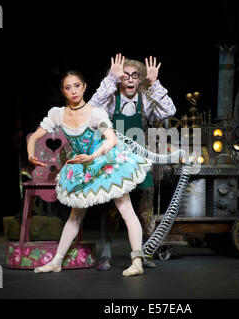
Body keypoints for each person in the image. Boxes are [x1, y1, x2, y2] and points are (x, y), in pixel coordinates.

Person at [27, 70, 152, 276]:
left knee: (125, 209)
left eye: (77, 86)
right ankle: (57, 261)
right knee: (75, 216)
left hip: (104, 159)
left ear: (84, 87)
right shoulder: (57, 114)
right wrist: (31, 154)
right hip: (81, 165)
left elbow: (111, 140)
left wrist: (92, 157)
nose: (73, 91)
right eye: (68, 87)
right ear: (63, 91)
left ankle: (137, 261)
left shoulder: (96, 113)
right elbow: (33, 137)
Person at [89, 53, 176, 270]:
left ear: (140, 79)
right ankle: (106, 254)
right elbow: (90, 110)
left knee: (145, 208)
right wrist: (110, 78)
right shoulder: (111, 99)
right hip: (114, 162)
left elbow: (170, 110)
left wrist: (155, 83)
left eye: (135, 75)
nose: (129, 79)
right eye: (125, 75)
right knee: (111, 210)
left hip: (139, 162)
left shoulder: (145, 100)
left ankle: (144, 253)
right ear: (120, 79)